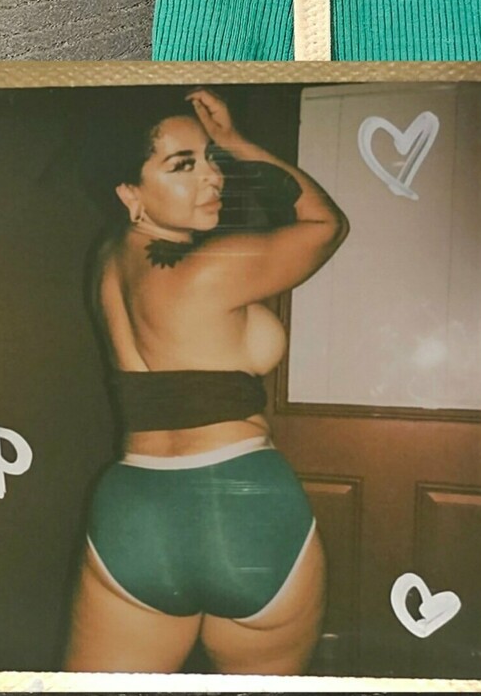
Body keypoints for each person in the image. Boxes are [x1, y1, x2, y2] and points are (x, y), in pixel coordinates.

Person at [64, 87, 348, 673]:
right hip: (241, 506)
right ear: (129, 193)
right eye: (183, 165)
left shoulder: (106, 262)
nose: (213, 176)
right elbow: (326, 224)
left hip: (133, 513)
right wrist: (237, 142)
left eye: (212, 158)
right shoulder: (211, 268)